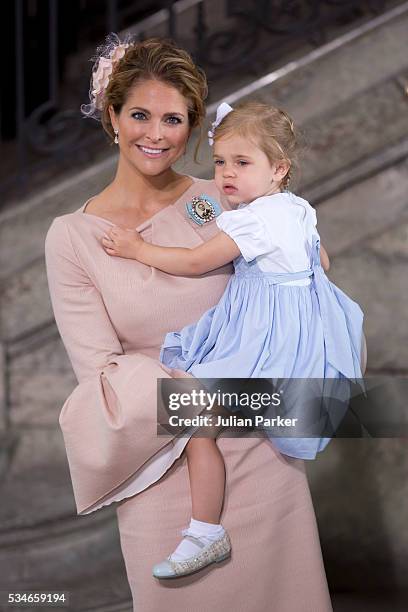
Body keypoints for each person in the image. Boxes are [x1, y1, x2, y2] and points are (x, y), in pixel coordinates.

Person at [45, 35, 334, 611]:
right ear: (112, 116)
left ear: (192, 127)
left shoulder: (225, 197)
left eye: (172, 119)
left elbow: (306, 284)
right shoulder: (73, 239)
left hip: (261, 454)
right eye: (140, 115)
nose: (155, 134)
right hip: (166, 463)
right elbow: (102, 375)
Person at [101, 99, 365, 579]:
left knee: (191, 414)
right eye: (220, 161)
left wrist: (137, 247)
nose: (226, 173)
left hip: (265, 338)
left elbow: (197, 261)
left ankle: (205, 531)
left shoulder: (254, 220)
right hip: (301, 334)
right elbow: (320, 263)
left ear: (278, 169)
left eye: (242, 163)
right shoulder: (296, 209)